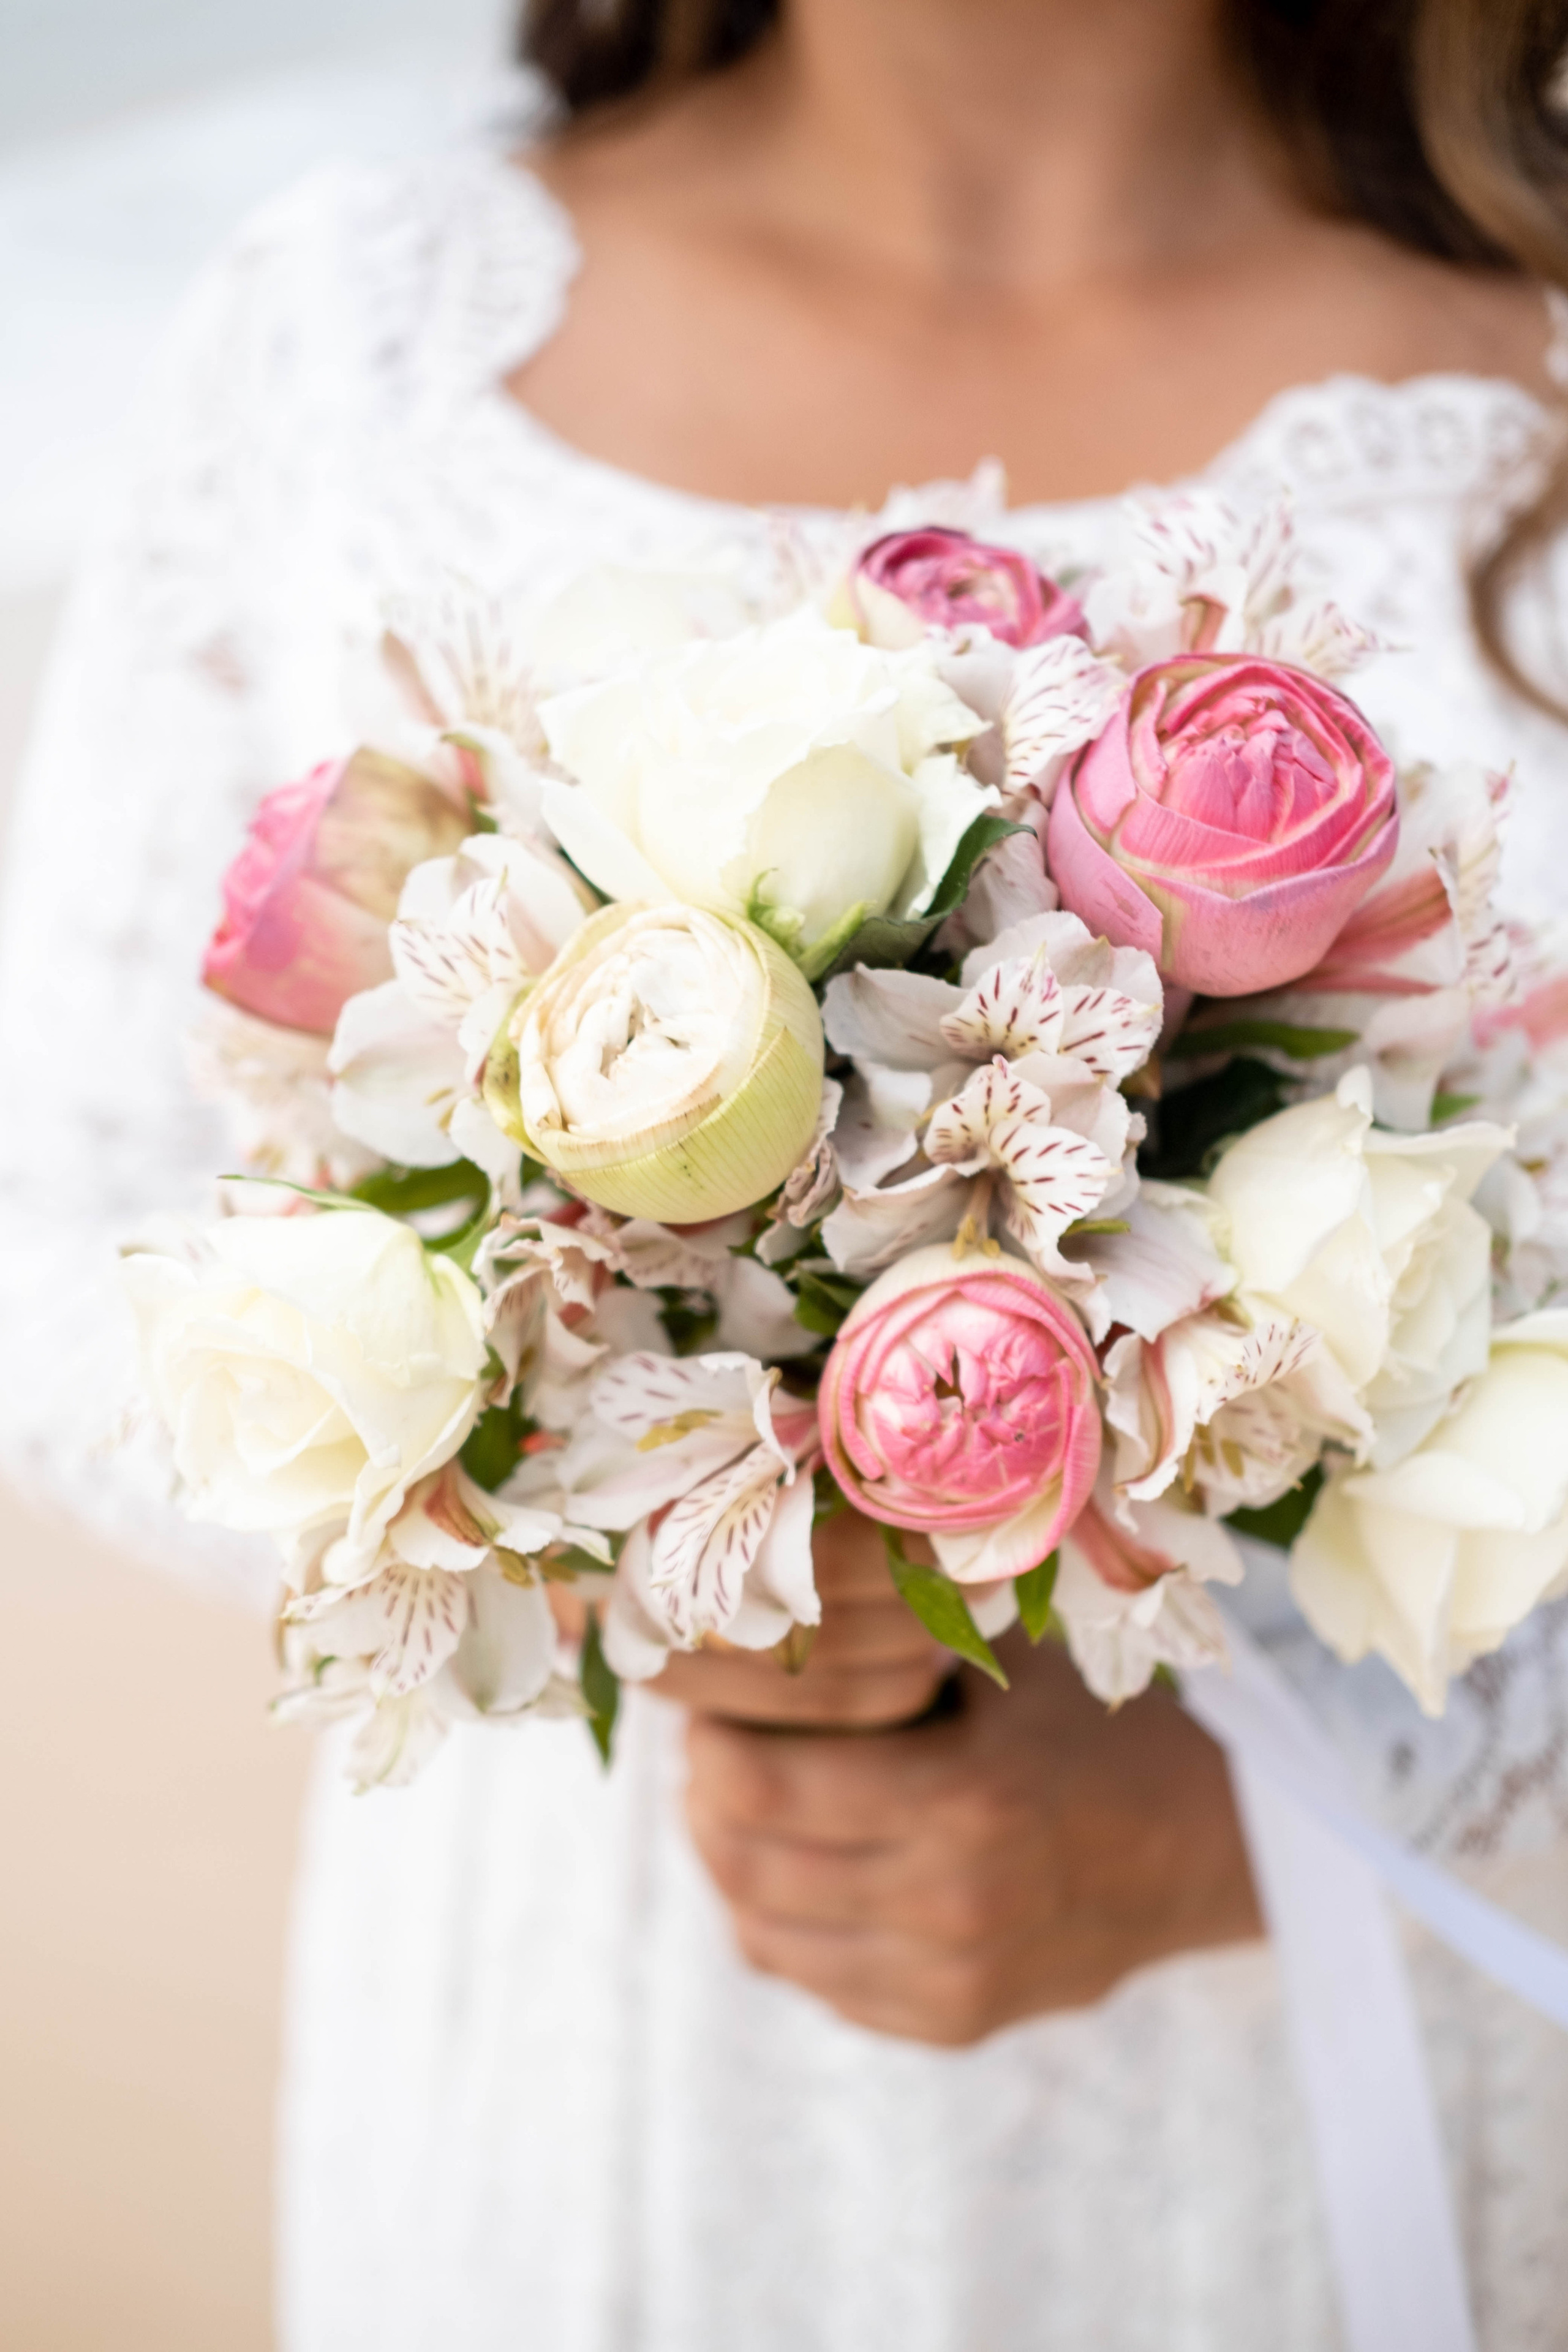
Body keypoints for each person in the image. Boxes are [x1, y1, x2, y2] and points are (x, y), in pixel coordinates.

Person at [2, 2, 1567, 2345]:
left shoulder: (1524, 364)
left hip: (1328, 2124)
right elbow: (63, 1226)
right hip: (585, 2097)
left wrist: (1313, 1803)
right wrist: (619, 1533)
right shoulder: (350, 333)